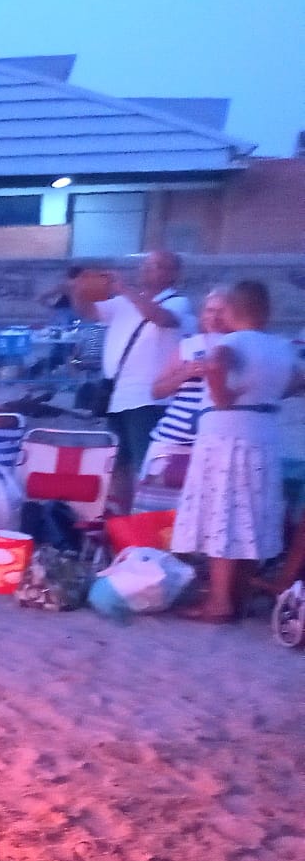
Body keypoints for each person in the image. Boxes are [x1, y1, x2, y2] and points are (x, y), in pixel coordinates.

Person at [172, 281, 298, 623]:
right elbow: (299, 381)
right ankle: (237, 596)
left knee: (222, 514)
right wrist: (266, 393)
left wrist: (224, 396)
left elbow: (214, 364)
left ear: (230, 310)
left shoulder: (232, 342)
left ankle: (219, 602)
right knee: (250, 515)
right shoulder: (281, 347)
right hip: (264, 434)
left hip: (226, 436)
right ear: (266, 312)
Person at [74, 250, 195, 497]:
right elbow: (88, 312)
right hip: (118, 395)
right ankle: (123, 517)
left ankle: (145, 515)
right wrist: (79, 289)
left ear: (173, 273)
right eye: (146, 265)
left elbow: (160, 318)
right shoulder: (124, 302)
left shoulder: (177, 302)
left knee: (145, 464)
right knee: (118, 463)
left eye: (156, 266)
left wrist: (123, 289)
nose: (148, 270)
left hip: (149, 398)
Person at [143, 290, 230, 487]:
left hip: (216, 443)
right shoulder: (188, 345)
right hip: (173, 440)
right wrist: (184, 373)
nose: (214, 317)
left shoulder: (239, 347)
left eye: (222, 311)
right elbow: (156, 391)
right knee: (159, 510)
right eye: (210, 310)